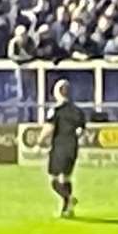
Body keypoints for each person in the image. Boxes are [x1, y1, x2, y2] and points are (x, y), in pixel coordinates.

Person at [45, 80, 86, 219]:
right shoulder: (78, 111)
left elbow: (49, 128)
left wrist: (38, 141)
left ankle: (68, 199)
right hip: (72, 147)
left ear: (58, 92)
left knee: (55, 179)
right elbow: (81, 130)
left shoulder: (55, 110)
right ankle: (67, 209)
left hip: (59, 147)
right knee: (65, 178)